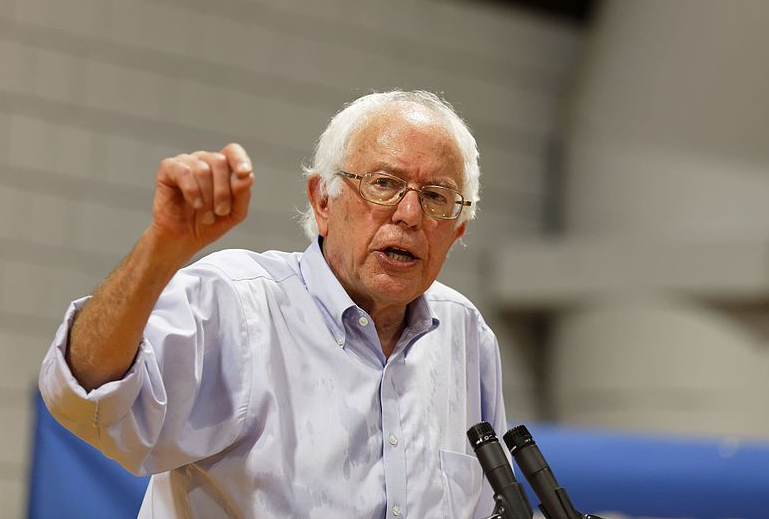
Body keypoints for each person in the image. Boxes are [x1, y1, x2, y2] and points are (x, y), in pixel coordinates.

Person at [39, 90, 507, 518]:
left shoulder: (465, 335)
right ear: (322, 200)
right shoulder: (237, 304)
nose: (409, 214)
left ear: (458, 230)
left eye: (435, 197)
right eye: (384, 184)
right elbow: (84, 396)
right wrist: (160, 249)